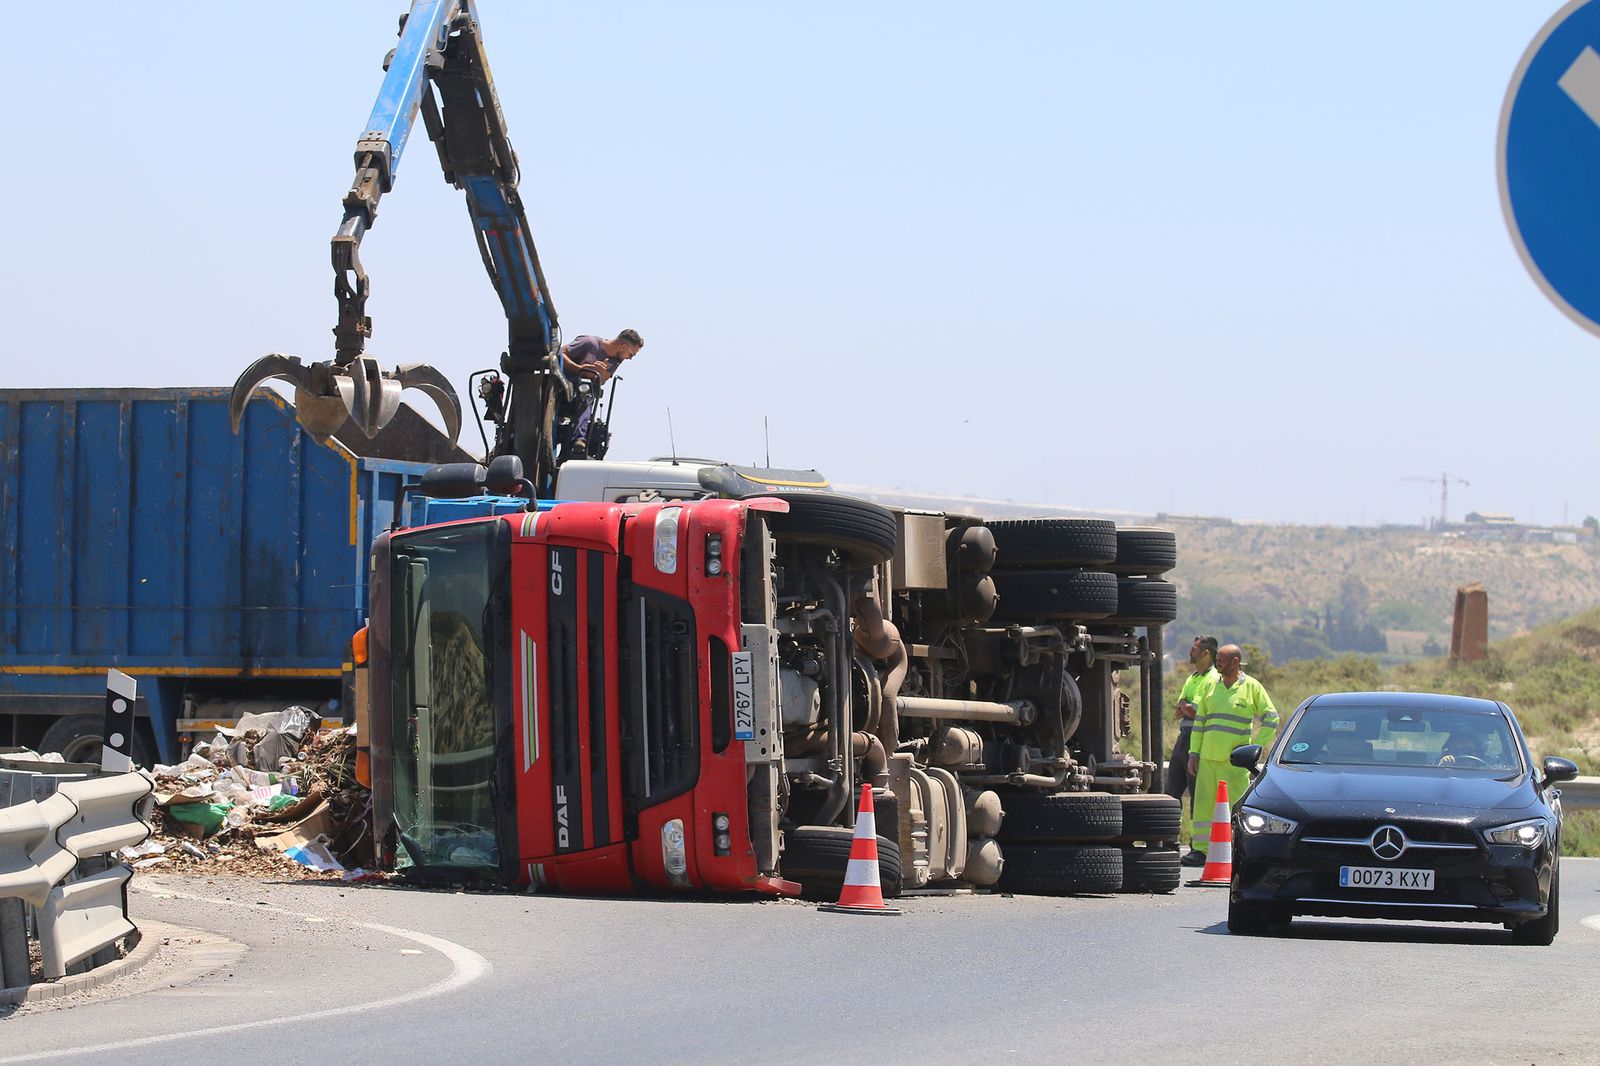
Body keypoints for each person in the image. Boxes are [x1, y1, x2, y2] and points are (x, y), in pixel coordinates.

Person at [1184, 643, 1279, 866]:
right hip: (1207, 759)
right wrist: (1194, 753)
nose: (1217, 663)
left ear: (1235, 662)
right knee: (1204, 807)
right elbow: (1199, 724)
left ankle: (1235, 850)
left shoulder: (1252, 687)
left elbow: (1271, 718)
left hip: (1234, 763)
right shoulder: (1209, 686)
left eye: (1222, 660)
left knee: (1235, 809)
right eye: (1217, 660)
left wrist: (1254, 748)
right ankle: (1200, 850)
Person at [1165, 635, 1219, 848]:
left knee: (1197, 794)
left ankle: (1199, 844)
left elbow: (1196, 712)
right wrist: (1186, 707)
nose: (1190, 651)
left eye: (1194, 648)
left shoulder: (1213, 678)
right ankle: (1170, 838)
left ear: (1206, 653)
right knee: (1171, 791)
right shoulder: (1192, 678)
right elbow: (1179, 711)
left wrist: (1187, 707)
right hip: (1182, 739)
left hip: (1198, 742)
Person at [559, 329, 644, 456]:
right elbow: (560, 353)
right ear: (623, 346)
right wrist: (579, 368)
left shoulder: (615, 361)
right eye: (631, 354)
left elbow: (601, 381)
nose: (630, 359)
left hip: (579, 397)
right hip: (561, 387)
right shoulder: (589, 342)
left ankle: (579, 440)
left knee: (587, 394)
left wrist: (599, 373)